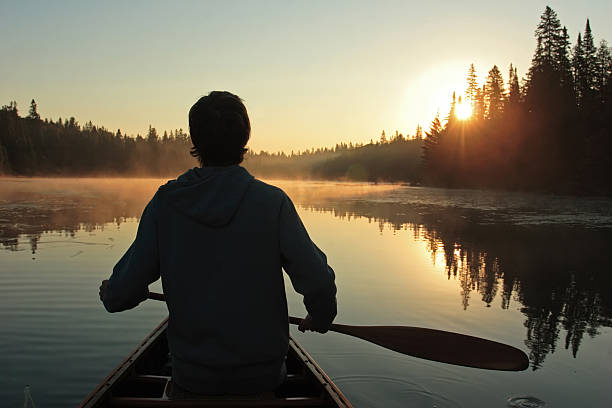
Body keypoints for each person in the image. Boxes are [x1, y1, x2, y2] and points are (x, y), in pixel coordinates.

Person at [98, 91, 337, 396]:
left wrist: (121, 293)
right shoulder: (272, 203)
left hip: (193, 381)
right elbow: (318, 282)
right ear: (244, 139)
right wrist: (320, 316)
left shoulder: (165, 205)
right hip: (262, 379)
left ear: (195, 141)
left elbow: (119, 296)